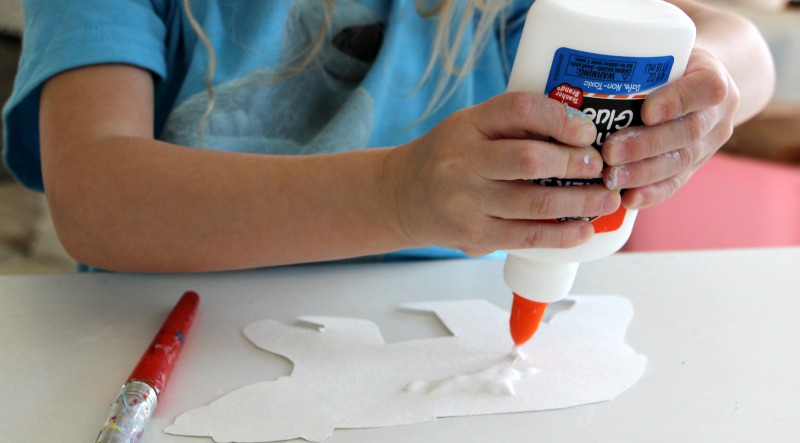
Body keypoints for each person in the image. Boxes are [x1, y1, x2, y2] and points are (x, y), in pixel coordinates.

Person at [2, 0, 774, 272]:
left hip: (438, 355)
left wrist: (715, 80)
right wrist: (396, 195)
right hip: (165, 343)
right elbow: (97, 197)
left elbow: (736, 43)